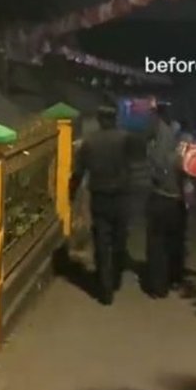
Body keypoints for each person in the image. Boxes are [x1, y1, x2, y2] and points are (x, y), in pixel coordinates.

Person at [69, 102, 134, 305]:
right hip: (122, 198)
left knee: (102, 242)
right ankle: (114, 279)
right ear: (115, 118)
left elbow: (79, 172)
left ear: (99, 119)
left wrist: (70, 192)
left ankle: (105, 290)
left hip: (100, 198)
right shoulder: (126, 140)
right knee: (119, 239)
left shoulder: (90, 142)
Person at [145, 103, 188, 298]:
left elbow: (153, 168)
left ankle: (158, 287)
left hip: (159, 198)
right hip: (175, 201)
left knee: (157, 244)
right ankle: (174, 279)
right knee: (175, 243)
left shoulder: (154, 142)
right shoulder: (181, 144)